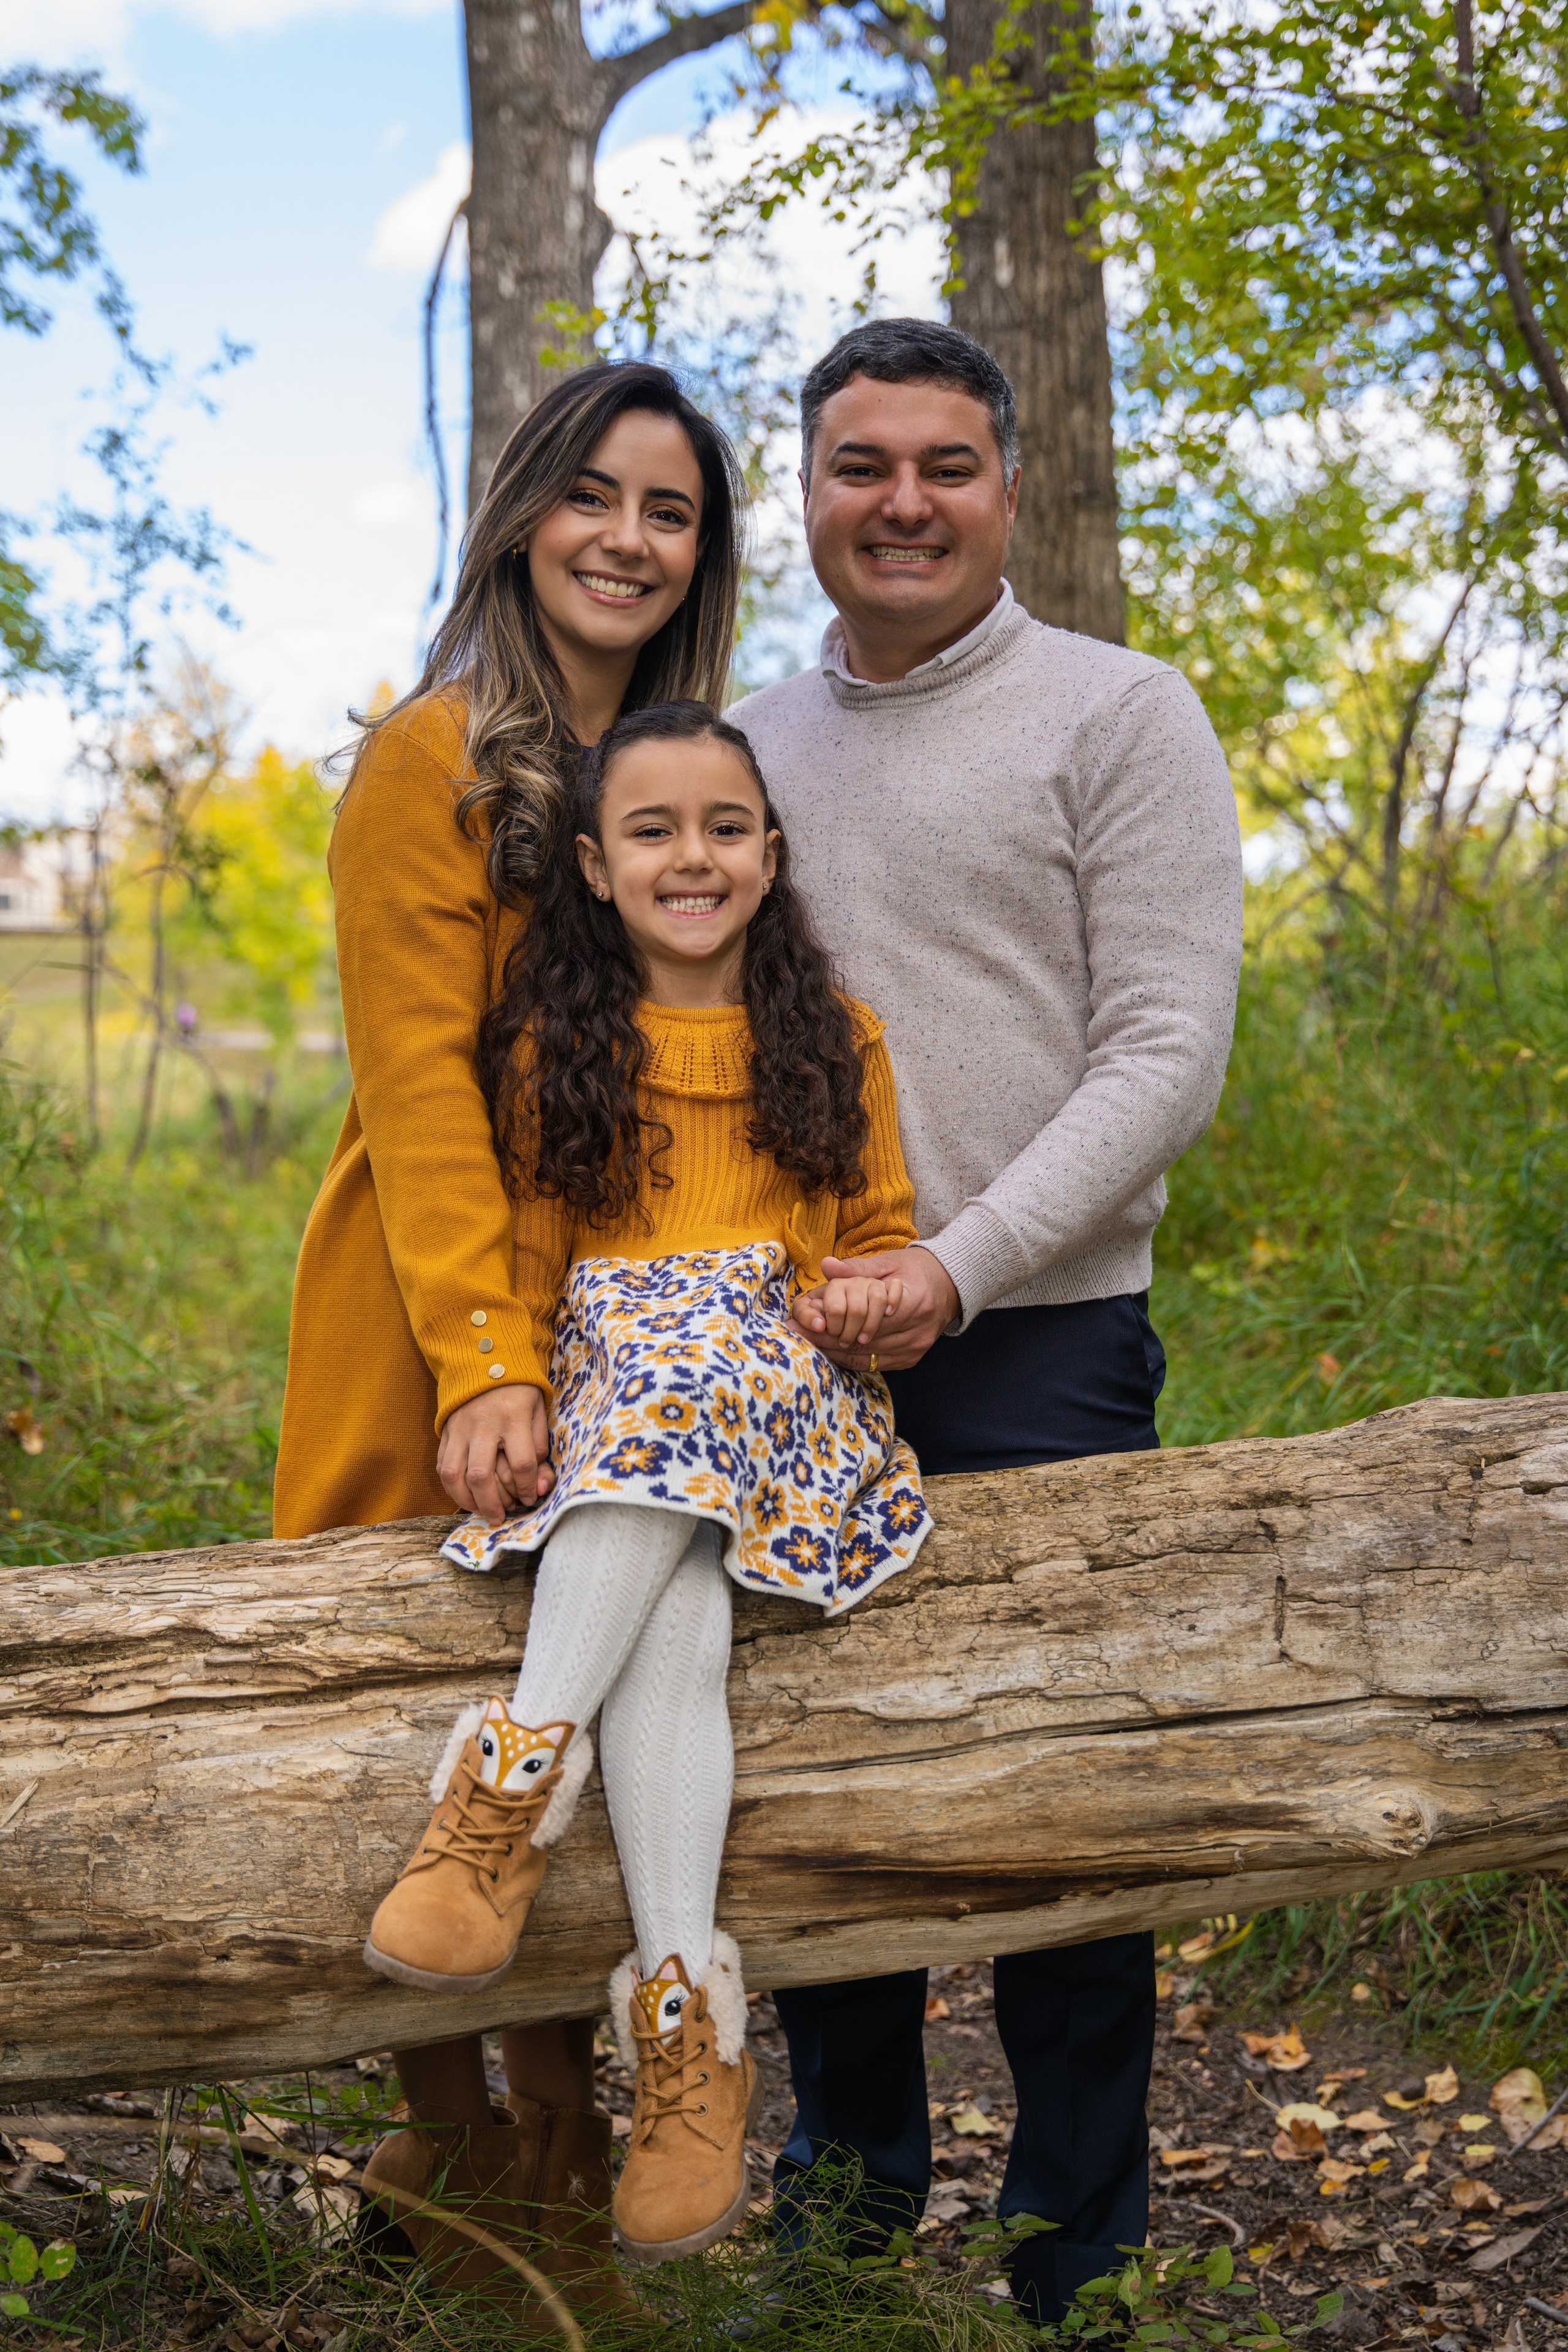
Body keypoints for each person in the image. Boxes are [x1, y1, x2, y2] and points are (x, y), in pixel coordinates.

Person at [731, 316, 1245, 2326]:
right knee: (825, 1799)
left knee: (1064, 1805)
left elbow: (1165, 1057)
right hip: (785, 1361)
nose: (904, 502)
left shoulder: (1121, 715)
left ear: (1005, 483)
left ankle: (1074, 2253)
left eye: (945, 463)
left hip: (1043, 1339)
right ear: (812, 491)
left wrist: (959, 1266)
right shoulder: (748, 750)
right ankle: (846, 2220)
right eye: (864, 464)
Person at [273, 361, 747, 2323]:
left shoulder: (683, 765)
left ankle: (562, 2158)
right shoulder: (433, 754)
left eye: (672, 513)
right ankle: (452, 2134)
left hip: (631, 1286)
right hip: (436, 1298)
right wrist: (483, 1354)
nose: (630, 541)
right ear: (525, 510)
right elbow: (415, 1085)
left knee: (601, 1670)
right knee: (413, 1681)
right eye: (597, 498)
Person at [360, 698, 932, 2267]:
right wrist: (508, 1384)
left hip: (776, 1385)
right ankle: (689, 2021)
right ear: (598, 873)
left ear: (772, 851)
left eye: (725, 827)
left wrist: (856, 1299)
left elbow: (877, 1231)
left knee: (696, 1381)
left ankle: (508, 1781)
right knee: (674, 1605)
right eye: (654, 831)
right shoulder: (556, 1044)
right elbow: (535, 1257)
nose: (695, 856)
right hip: (621, 1402)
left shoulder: (839, 1035)